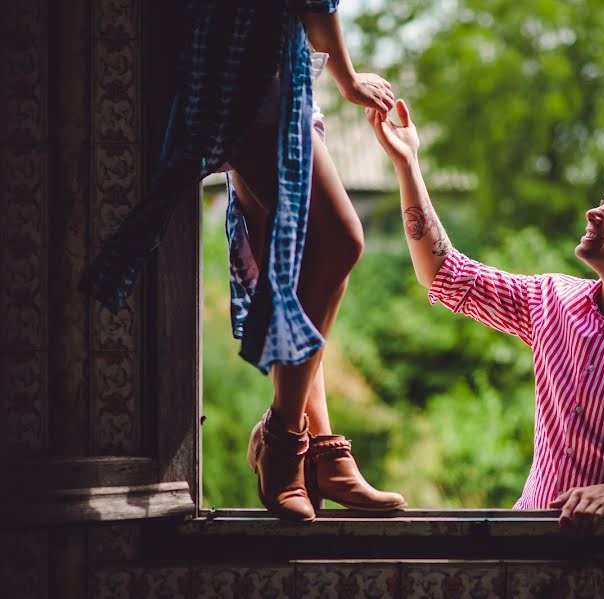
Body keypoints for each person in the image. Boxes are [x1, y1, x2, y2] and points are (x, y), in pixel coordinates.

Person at [82, 0, 404, 522]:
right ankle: (280, 438)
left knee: (294, 272)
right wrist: (347, 78)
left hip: (265, 70)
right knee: (340, 241)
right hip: (245, 74)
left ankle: (319, 451)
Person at [366, 101, 604, 530]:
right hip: (526, 541)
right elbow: (442, 272)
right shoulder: (550, 300)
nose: (594, 212)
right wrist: (408, 163)